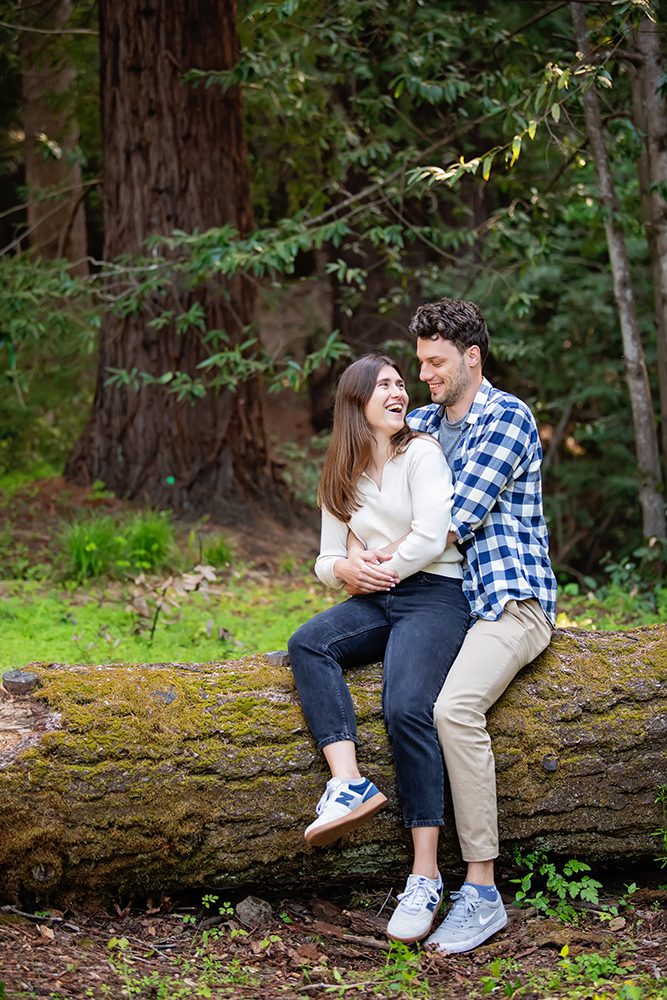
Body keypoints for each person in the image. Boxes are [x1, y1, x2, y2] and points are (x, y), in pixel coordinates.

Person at [347, 298, 557, 953]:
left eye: (436, 362)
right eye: (419, 363)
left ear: (471, 357)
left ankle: (483, 891)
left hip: (505, 601)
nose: (426, 374)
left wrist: (374, 558)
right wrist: (347, 556)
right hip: (440, 602)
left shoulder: (506, 418)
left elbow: (447, 523)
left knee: (454, 709)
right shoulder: (422, 424)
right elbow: (374, 492)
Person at [288, 353, 471, 945]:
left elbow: (430, 531)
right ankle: (347, 783)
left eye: (400, 383)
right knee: (308, 643)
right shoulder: (341, 473)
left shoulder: (421, 453)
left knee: (405, 706)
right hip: (377, 597)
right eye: (385, 386)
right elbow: (324, 556)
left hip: (434, 594)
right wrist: (344, 566)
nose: (399, 392)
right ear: (356, 403)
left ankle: (426, 874)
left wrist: (379, 565)